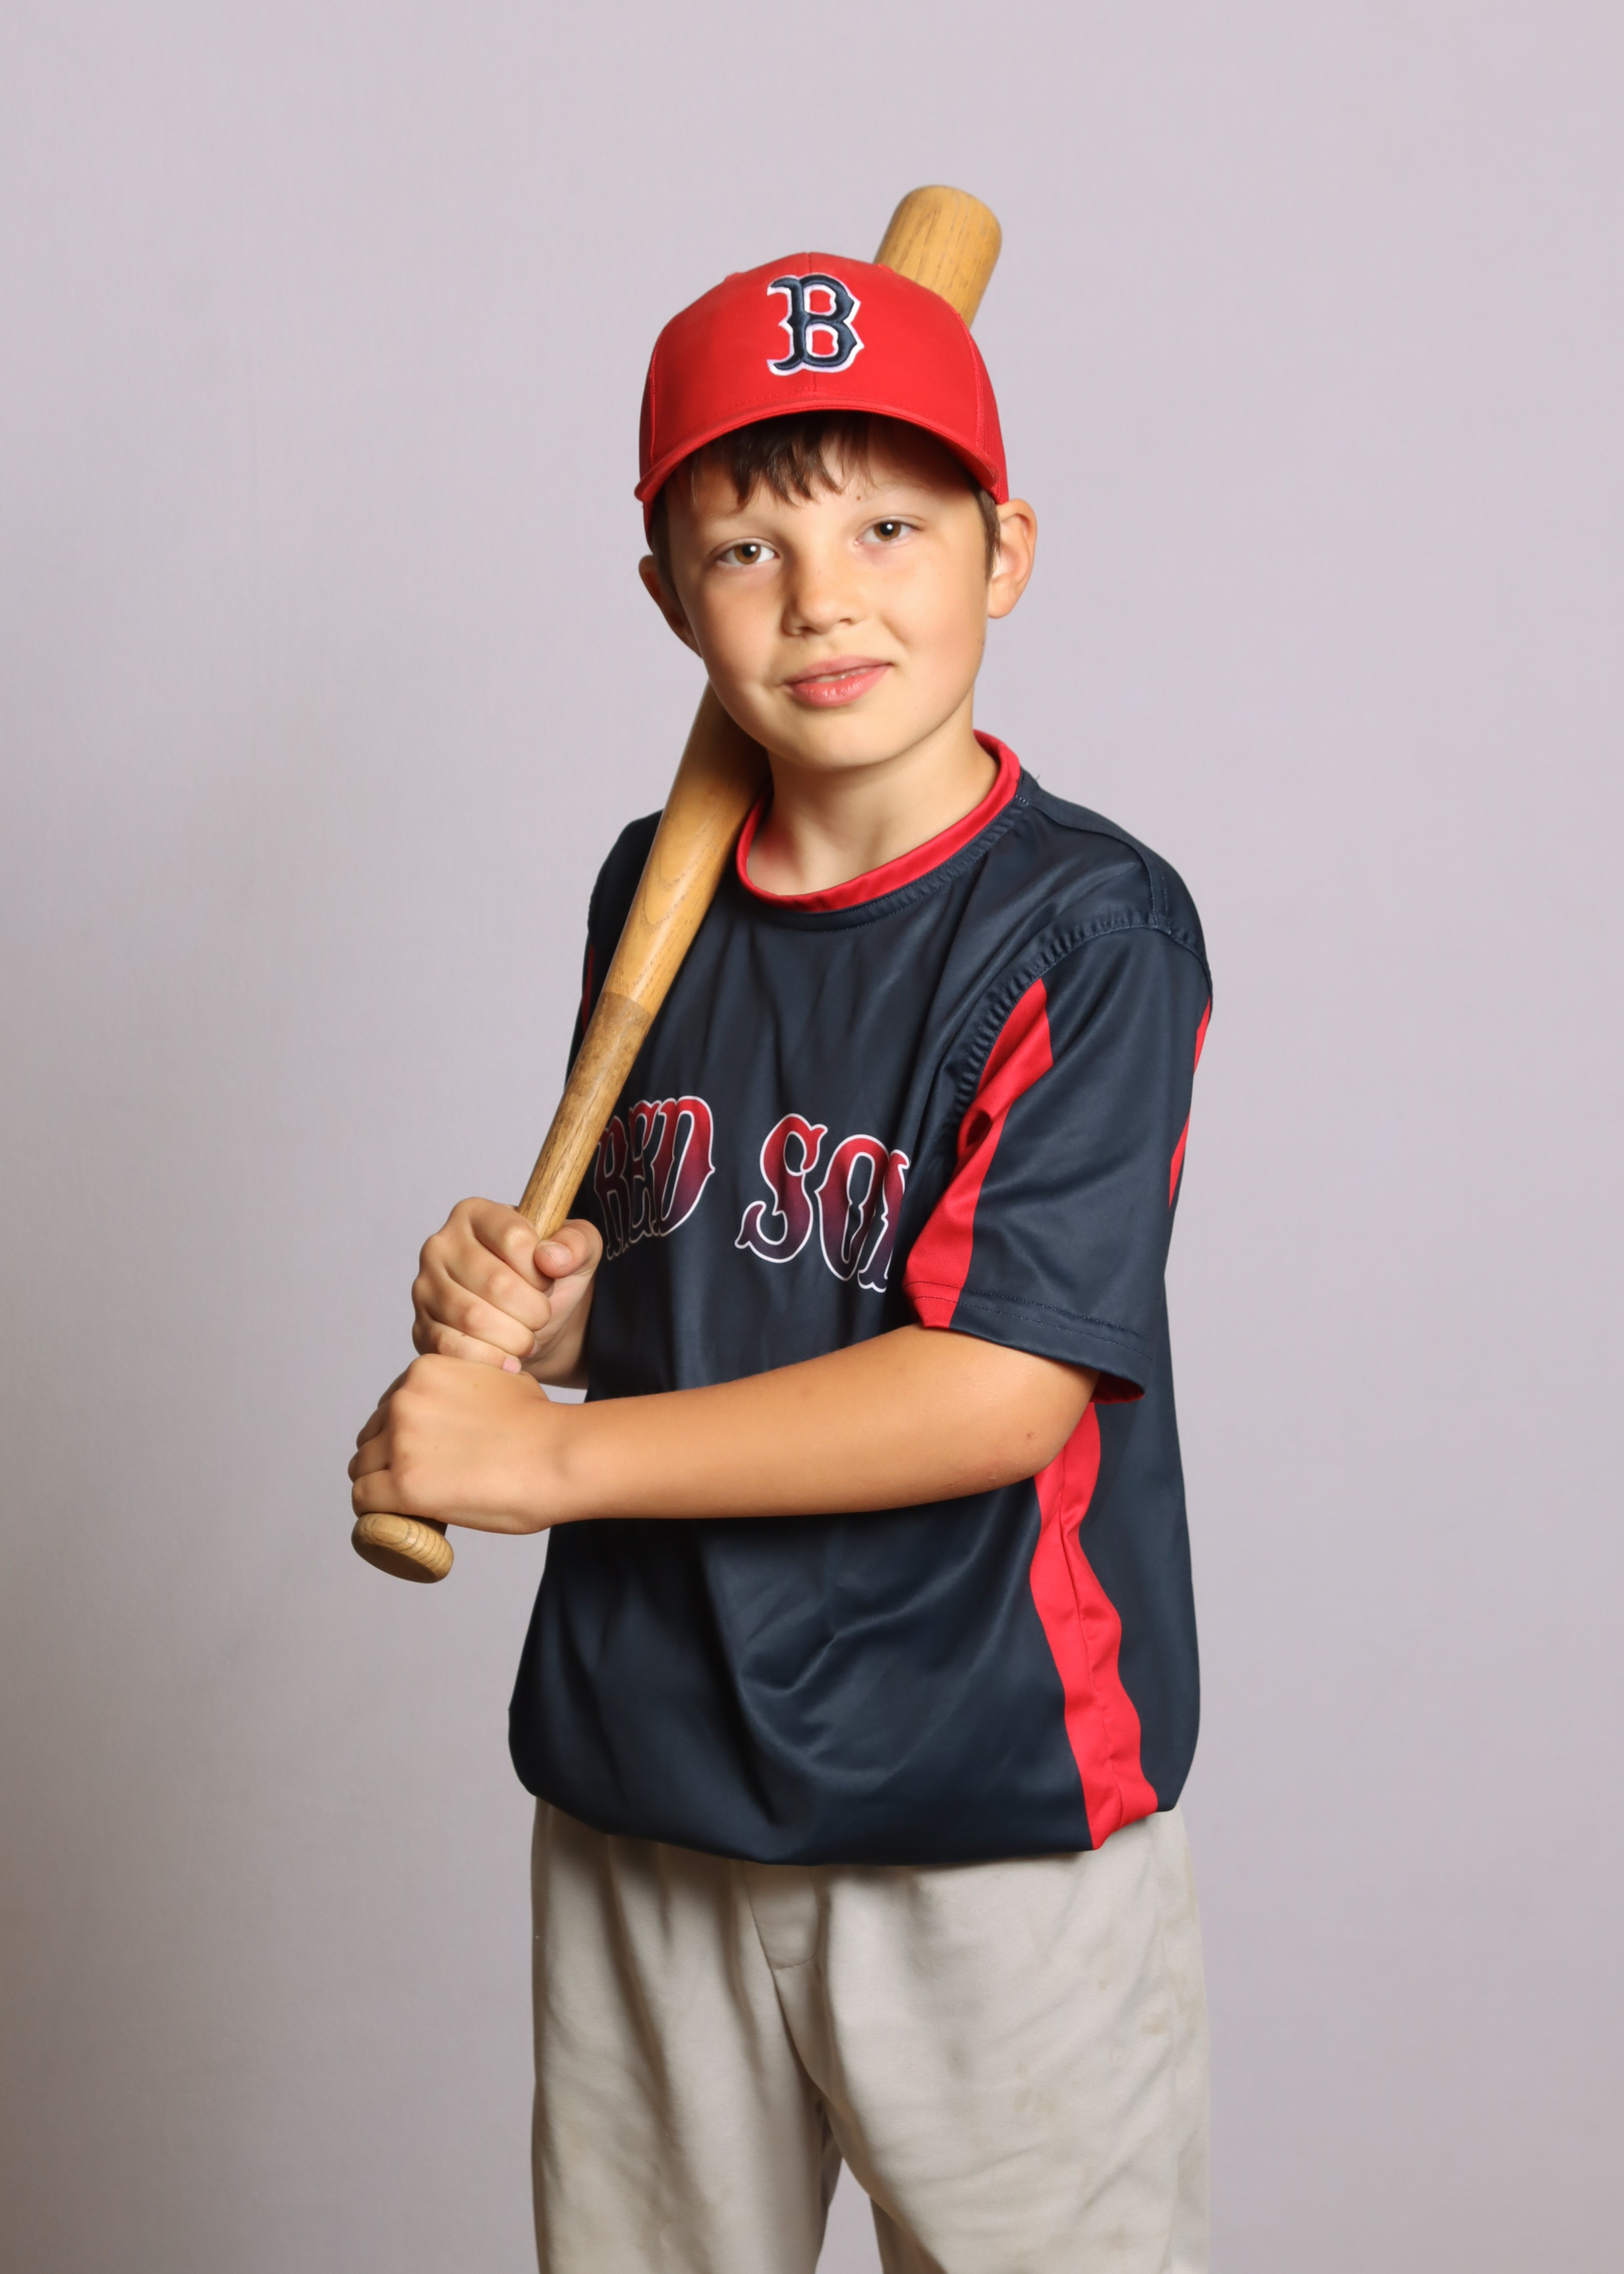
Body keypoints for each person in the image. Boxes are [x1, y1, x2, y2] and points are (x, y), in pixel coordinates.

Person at [350, 252, 1213, 2274]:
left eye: (888, 526)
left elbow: (992, 1385)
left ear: (1004, 553)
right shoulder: (647, 891)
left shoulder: (1088, 928)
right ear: (670, 598)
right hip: (644, 1775)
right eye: (749, 545)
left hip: (978, 1802)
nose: (824, 596)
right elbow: (693, 1268)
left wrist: (545, 1459)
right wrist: (539, 1312)